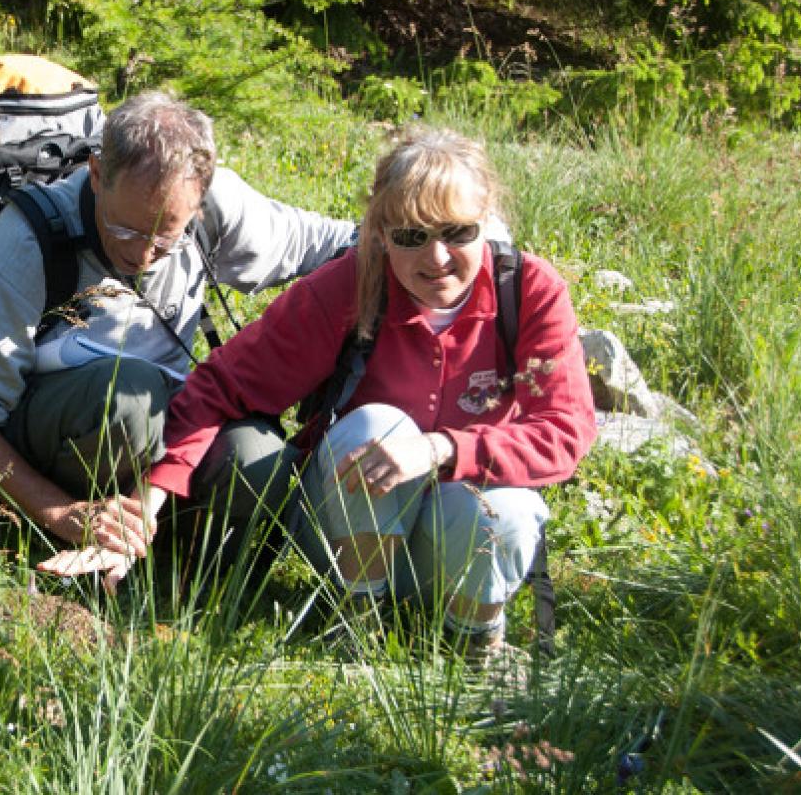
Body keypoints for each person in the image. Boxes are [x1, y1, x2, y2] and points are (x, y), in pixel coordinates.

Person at [117, 128, 596, 656]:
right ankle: (357, 621)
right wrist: (148, 499)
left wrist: (441, 450)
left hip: (459, 540)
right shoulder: (352, 284)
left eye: (457, 233)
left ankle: (477, 645)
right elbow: (222, 384)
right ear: (380, 233)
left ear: (486, 222)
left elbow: (565, 433)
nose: (437, 257)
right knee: (376, 426)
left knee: (502, 508)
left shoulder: (529, 291)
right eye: (412, 236)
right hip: (344, 527)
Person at [0, 91, 358, 570]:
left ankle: (170, 562)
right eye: (126, 229)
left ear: (199, 200)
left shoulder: (214, 208)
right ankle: (75, 532)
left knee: (259, 457)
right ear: (96, 175)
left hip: (164, 426)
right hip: (57, 427)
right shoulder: (27, 241)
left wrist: (417, 244)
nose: (142, 254)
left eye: (165, 238)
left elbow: (342, 243)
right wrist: (62, 513)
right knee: (130, 398)